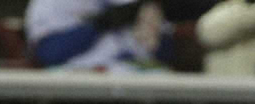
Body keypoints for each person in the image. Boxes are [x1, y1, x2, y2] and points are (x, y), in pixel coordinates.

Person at [24, 0, 173, 72]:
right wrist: (99, 25)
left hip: (140, 78)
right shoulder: (51, 3)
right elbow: (49, 53)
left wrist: (152, 29)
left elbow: (166, 54)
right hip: (79, 79)